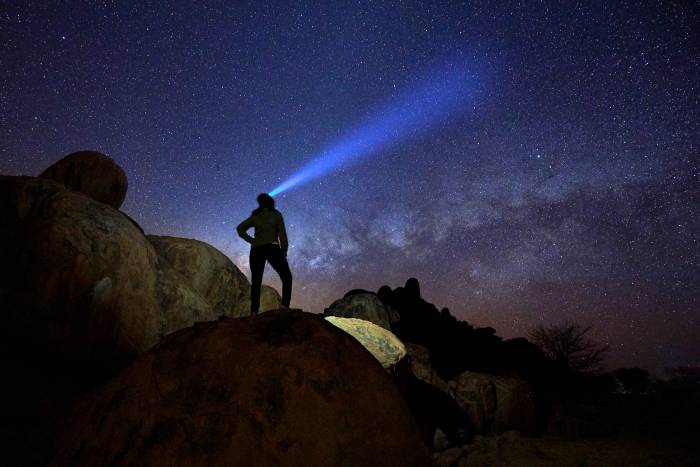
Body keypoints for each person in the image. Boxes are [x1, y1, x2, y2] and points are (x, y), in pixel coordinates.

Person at [236, 193, 292, 313]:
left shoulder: (256, 216)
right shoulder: (276, 215)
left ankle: (254, 312)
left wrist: (252, 240)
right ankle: (284, 307)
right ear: (271, 202)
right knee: (287, 277)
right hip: (272, 248)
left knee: (256, 281)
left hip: (257, 249)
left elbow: (240, 229)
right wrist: (284, 252)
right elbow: (282, 235)